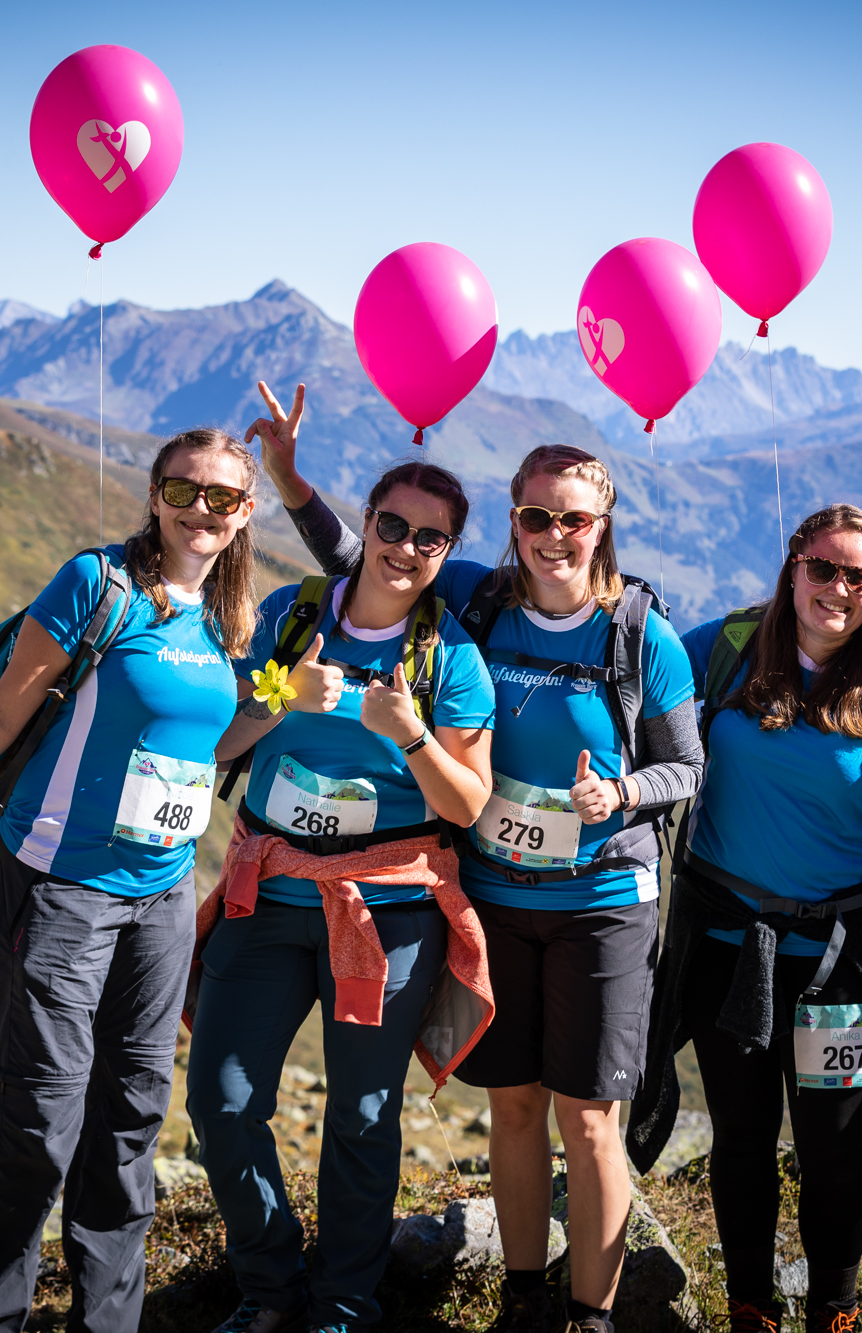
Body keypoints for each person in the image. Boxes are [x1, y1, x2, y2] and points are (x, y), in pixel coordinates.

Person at [258, 388, 703, 1333]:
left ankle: (591, 1317)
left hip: (602, 900)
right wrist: (291, 483)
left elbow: (687, 767)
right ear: (513, 519)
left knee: (589, 1117)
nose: (553, 536)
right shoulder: (477, 596)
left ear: (602, 525)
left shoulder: (640, 636)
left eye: (573, 519)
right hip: (493, 898)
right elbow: (366, 560)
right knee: (514, 1106)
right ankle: (522, 1298)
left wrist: (622, 793)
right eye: (536, 516)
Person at [0, 427, 261, 1333]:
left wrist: (274, 712)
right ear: (155, 495)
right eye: (182, 489)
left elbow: (199, 747)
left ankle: (107, 1324)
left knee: (131, 1119)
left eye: (221, 497)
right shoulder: (98, 584)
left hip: (163, 895)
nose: (200, 509)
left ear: (244, 512)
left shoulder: (231, 617)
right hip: (62, 886)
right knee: (36, 1122)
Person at [187, 447, 497, 1333]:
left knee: (363, 1114)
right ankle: (269, 1285)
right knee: (221, 1099)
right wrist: (281, 697)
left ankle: (344, 1305)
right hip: (270, 891)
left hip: (388, 912)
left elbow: (467, 805)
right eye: (393, 525)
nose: (406, 547)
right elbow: (218, 745)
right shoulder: (290, 616)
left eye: (431, 538)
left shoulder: (450, 657)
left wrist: (411, 735)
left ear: (447, 551)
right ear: (365, 520)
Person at [628, 504, 862, 1333]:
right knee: (741, 1138)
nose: (838, 588)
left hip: (843, 958)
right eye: (823, 568)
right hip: (725, 947)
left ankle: (834, 1313)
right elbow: (630, 681)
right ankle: (751, 1310)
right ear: (793, 565)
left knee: (833, 1148)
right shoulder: (724, 648)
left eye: (859, 576)